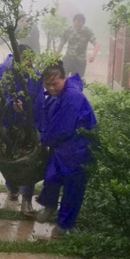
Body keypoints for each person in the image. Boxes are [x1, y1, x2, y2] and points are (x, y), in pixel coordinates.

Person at [36, 62, 97, 238]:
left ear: (64, 78)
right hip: (61, 146)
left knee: (72, 189)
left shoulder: (72, 96)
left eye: (54, 83)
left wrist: (44, 140)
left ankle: (63, 225)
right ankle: (50, 204)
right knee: (51, 177)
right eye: (47, 84)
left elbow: (63, 126)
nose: (50, 87)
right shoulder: (57, 94)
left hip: (79, 149)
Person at [0, 45, 44, 217]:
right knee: (9, 156)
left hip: (28, 124)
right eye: (24, 61)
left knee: (29, 161)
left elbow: (39, 103)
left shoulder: (36, 76)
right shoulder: (2, 70)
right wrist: (10, 103)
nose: (28, 65)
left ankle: (27, 199)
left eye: (30, 61)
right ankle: (12, 187)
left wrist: (37, 127)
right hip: (8, 123)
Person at [58, 14, 100, 78]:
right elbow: (61, 44)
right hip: (68, 59)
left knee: (75, 82)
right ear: (73, 22)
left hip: (80, 61)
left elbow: (96, 44)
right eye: (76, 26)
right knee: (63, 79)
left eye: (79, 26)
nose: (77, 28)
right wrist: (56, 55)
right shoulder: (68, 30)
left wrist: (93, 55)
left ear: (83, 23)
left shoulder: (87, 32)